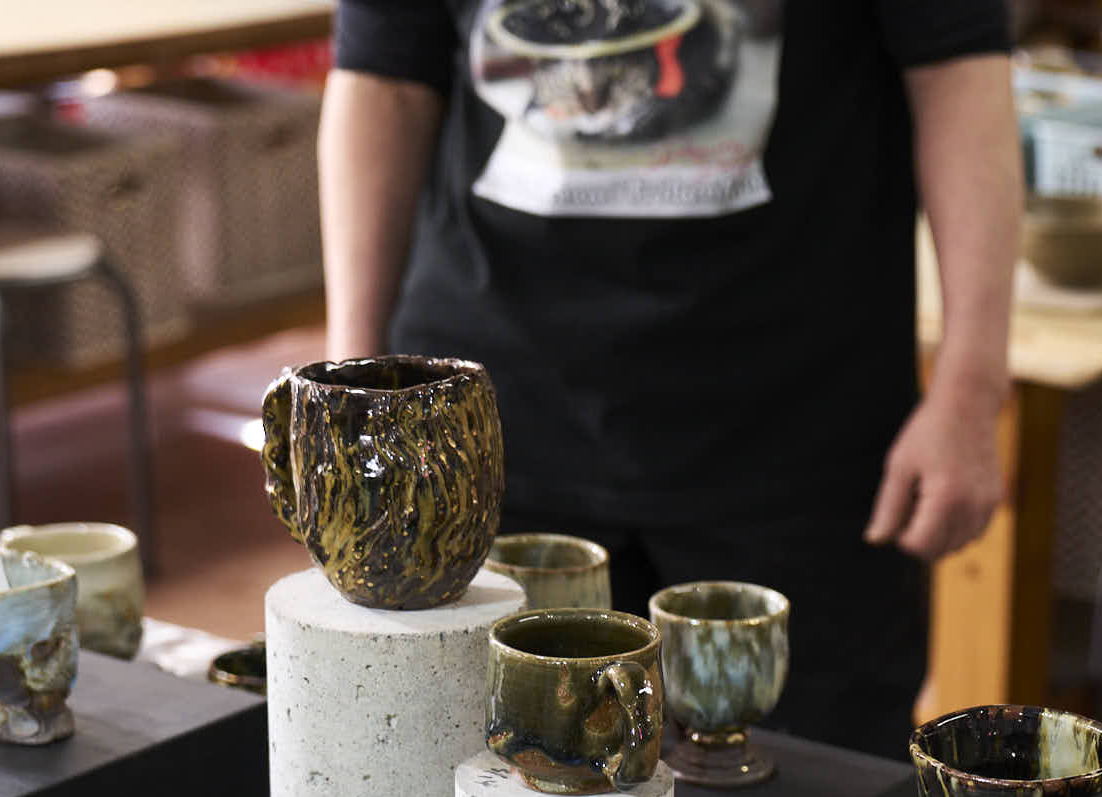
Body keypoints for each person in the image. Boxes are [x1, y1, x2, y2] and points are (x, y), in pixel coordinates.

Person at [319, 0, 1020, 758]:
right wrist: (348, 392)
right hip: (482, 433)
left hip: (795, 432)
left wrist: (971, 387)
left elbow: (958, 73)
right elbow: (383, 80)